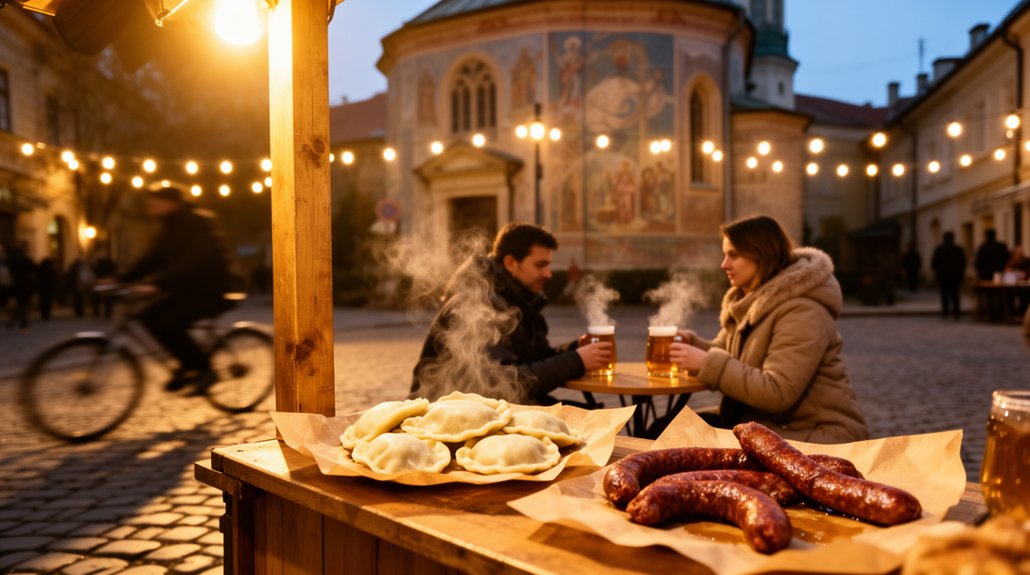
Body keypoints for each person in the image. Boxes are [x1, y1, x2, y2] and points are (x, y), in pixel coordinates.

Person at [667, 215, 868, 444]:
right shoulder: (752, 300)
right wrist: (694, 345)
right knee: (666, 428)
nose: (724, 264)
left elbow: (778, 391)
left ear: (761, 255)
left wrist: (706, 362)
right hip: (765, 425)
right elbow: (727, 353)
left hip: (814, 435)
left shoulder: (802, 311)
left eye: (733, 255)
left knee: (673, 438)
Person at [410, 223, 612, 404]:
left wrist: (574, 349)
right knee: (583, 423)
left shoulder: (521, 300)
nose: (548, 274)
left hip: (491, 410)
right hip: (446, 418)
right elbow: (502, 384)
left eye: (549, 265)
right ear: (510, 263)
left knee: (589, 416)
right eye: (540, 265)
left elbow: (534, 360)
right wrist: (576, 360)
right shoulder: (477, 307)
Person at [111, 184, 234, 393]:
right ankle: (188, 365)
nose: (151, 207)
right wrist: (121, 279)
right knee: (148, 316)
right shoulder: (169, 227)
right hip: (186, 290)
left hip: (211, 289)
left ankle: (205, 370)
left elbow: (197, 261)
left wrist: (157, 282)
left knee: (171, 323)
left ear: (171, 203)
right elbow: (153, 258)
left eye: (156, 203)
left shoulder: (195, 222)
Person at [931, 231, 967, 320]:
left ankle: (945, 312)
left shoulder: (939, 249)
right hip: (955, 276)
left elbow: (934, 263)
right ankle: (956, 313)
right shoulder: (958, 249)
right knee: (955, 294)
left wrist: (938, 271)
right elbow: (963, 262)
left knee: (944, 294)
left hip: (943, 276)